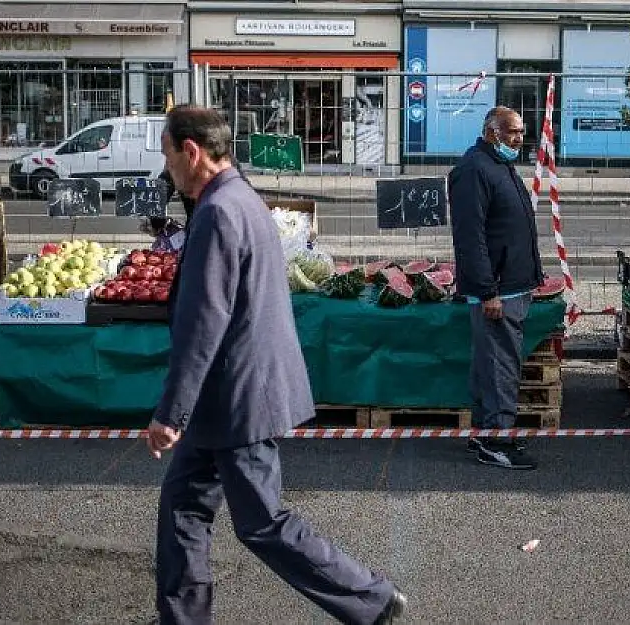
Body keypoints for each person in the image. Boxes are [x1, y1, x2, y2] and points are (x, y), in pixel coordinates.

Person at [148, 105, 407, 625]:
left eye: (168, 156)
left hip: (234, 396)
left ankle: (372, 599)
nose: (167, 169)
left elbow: (204, 322)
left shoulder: (219, 212)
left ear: (191, 152)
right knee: (181, 510)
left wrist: (169, 413)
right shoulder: (242, 197)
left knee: (261, 521)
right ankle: (182, 617)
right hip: (230, 396)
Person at [448, 105, 544, 471]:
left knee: (491, 364)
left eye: (521, 132)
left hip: (511, 286)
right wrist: (487, 291)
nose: (520, 138)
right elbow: (471, 238)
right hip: (498, 292)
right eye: (513, 132)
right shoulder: (474, 170)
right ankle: (497, 439)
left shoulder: (498, 164)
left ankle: (484, 432)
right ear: (492, 132)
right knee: (500, 365)